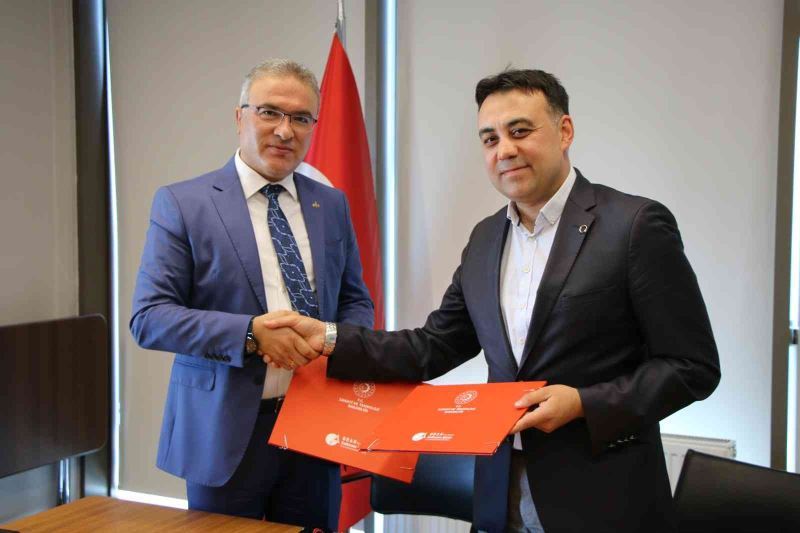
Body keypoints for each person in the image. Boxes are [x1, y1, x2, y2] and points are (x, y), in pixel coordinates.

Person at [264, 69, 720, 533]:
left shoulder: (634, 225)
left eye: (520, 131)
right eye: (490, 139)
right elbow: (432, 346)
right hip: (500, 491)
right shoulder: (485, 238)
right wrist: (328, 337)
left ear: (564, 131)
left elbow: (692, 366)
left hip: (603, 497)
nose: (505, 150)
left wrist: (583, 403)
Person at [129, 58, 374, 531]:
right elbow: (150, 317)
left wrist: (333, 342)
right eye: (269, 112)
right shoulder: (184, 203)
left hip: (316, 424)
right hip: (224, 431)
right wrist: (250, 334)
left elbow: (355, 300)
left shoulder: (331, 203)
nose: (285, 130)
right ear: (239, 116)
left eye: (300, 118)